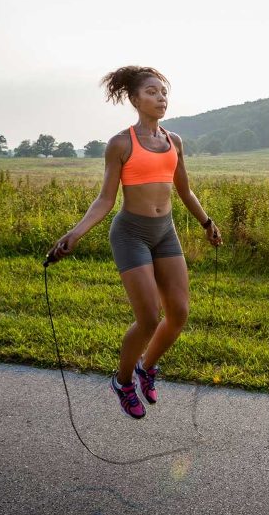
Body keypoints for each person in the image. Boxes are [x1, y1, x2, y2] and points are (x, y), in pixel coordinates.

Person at [47, 66, 222, 419]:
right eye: (152, 92)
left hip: (165, 232)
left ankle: (146, 367)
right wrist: (75, 234)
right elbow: (105, 200)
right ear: (134, 99)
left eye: (164, 92)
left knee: (179, 313)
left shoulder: (174, 141)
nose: (161, 98)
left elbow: (185, 190)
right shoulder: (121, 144)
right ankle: (123, 381)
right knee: (148, 319)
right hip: (131, 234)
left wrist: (207, 223)